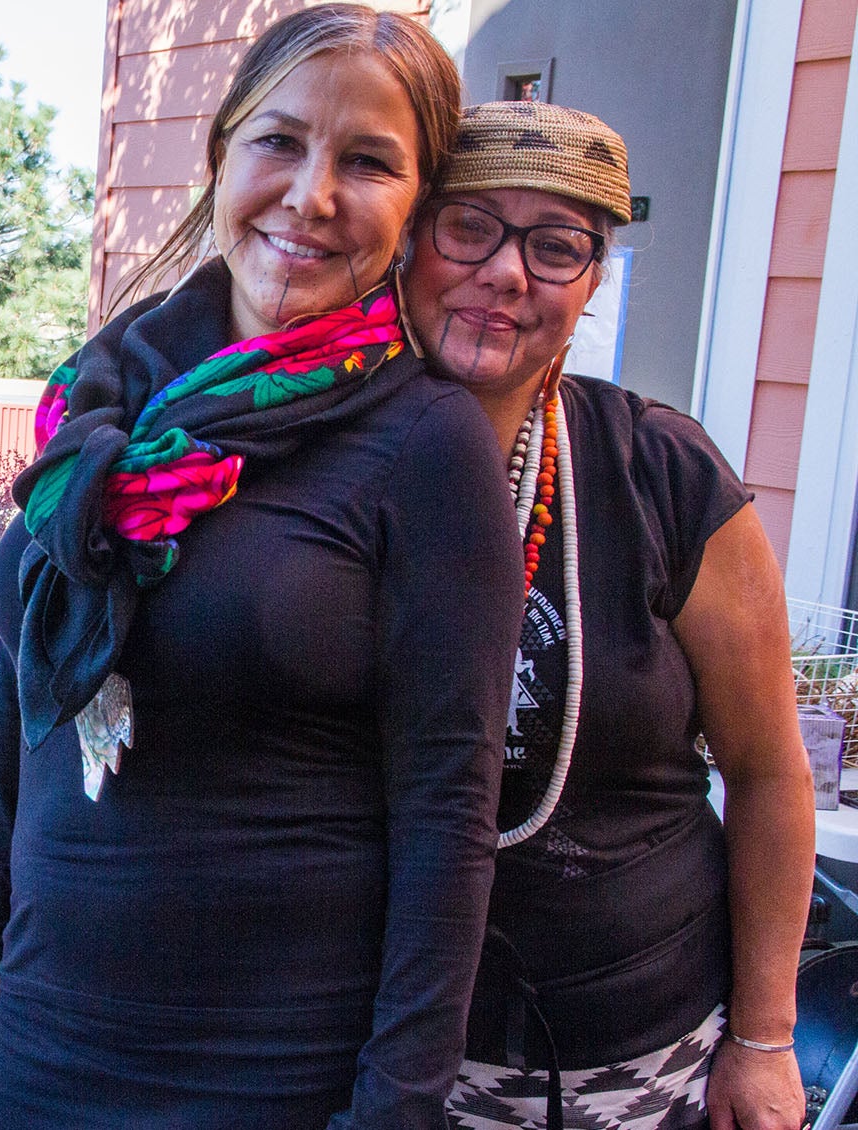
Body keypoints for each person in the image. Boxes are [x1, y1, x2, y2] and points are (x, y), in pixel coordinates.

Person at [0, 7, 522, 1126]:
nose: (311, 195)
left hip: (267, 1065)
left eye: (367, 162)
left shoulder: (425, 443)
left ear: (415, 203)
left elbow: (448, 814)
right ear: (221, 153)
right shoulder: (105, 397)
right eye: (279, 142)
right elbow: (27, 676)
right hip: (49, 1037)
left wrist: (392, 1109)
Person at [395, 102, 814, 1130]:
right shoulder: (326, 459)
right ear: (407, 242)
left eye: (555, 246)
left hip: (627, 1053)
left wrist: (763, 1036)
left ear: (589, 284)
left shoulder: (658, 469)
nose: (505, 272)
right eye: (468, 226)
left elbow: (765, 771)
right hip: (366, 1032)